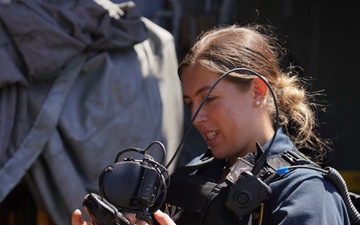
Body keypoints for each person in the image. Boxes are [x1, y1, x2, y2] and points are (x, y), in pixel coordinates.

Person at [71, 23, 352, 225]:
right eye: (190, 102)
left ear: (257, 91)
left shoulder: (307, 194)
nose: (196, 116)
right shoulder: (193, 179)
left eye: (210, 98)